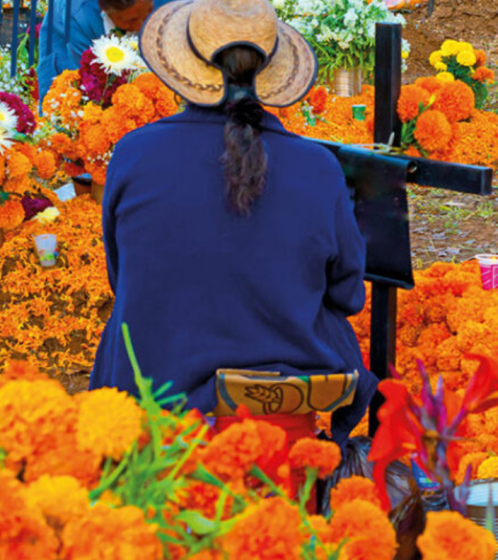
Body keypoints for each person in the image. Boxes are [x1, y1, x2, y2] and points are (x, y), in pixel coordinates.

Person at [89, 0, 377, 445]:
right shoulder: (317, 167)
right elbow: (347, 293)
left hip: (156, 390)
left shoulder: (134, 153)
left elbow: (120, 276)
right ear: (270, 73)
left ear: (184, 69)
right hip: (282, 395)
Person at [36, 0, 169, 103]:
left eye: (149, 11)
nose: (141, 25)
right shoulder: (78, 14)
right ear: (104, 8)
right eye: (131, 20)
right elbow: (89, 81)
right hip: (66, 40)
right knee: (71, 105)